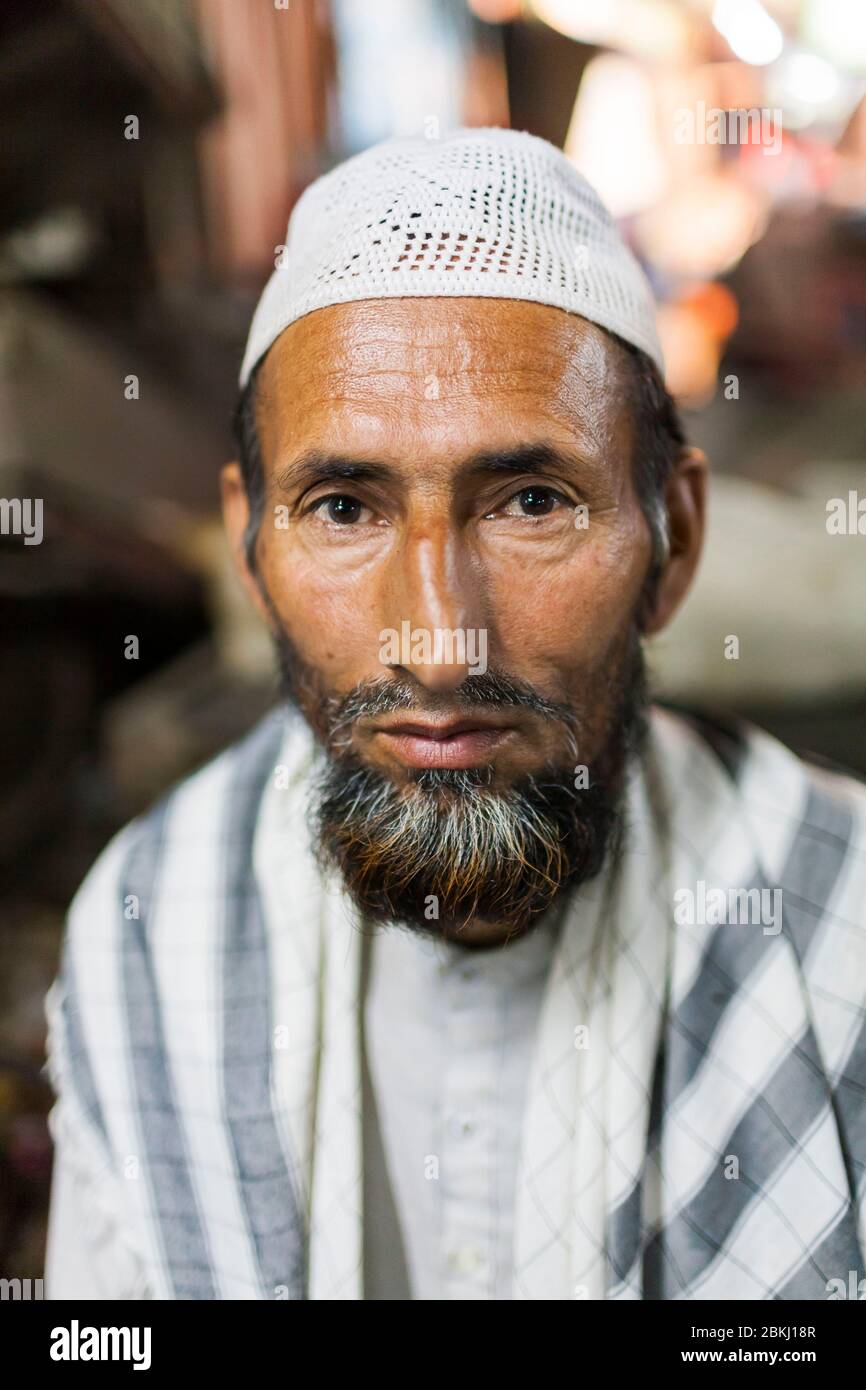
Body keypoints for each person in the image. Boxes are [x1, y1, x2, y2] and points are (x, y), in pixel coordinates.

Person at [43, 128, 866, 1301]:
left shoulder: (845, 929)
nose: (438, 641)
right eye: (343, 507)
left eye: (531, 501)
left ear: (673, 538)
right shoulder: (145, 936)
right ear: (249, 549)